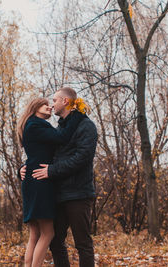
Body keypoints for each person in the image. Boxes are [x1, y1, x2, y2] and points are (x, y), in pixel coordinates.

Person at [21, 87, 98, 267]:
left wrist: (51, 171)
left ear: (65, 101)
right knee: (55, 242)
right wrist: (23, 168)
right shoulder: (61, 127)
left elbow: (82, 158)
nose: (52, 104)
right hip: (57, 193)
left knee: (83, 243)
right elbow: (44, 153)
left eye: (54, 100)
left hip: (78, 193)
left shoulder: (86, 126)